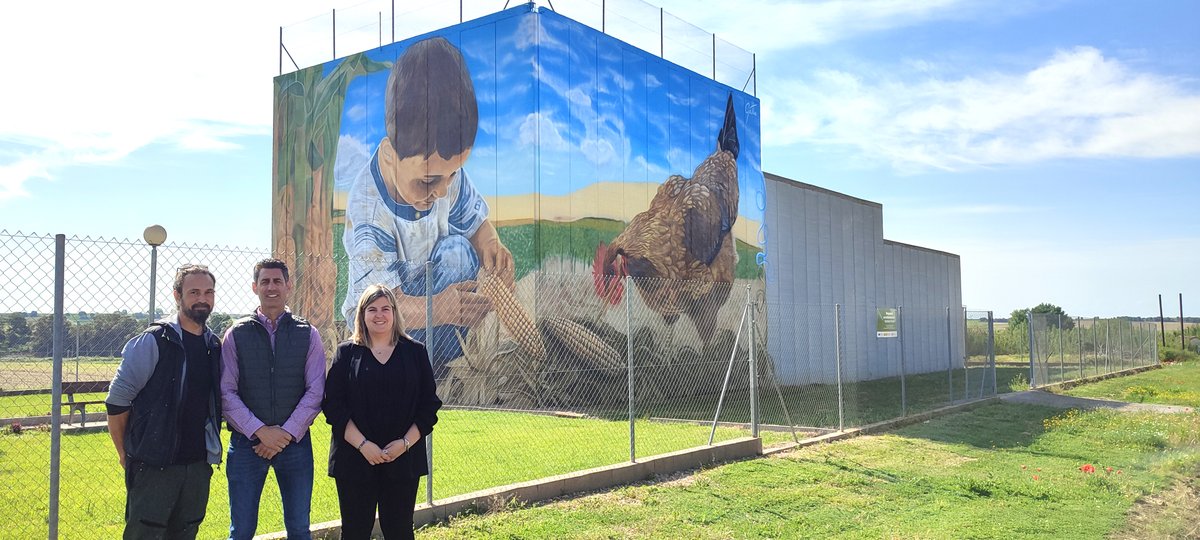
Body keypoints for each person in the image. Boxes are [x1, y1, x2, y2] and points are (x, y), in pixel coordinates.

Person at [340, 35, 514, 374]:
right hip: (386, 317)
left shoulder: (444, 174)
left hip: (438, 298)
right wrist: (439, 308)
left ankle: (441, 366)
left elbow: (477, 225)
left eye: (453, 175)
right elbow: (378, 305)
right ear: (390, 155)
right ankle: (410, 370)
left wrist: (492, 247)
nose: (442, 190)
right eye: (429, 180)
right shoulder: (370, 212)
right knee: (386, 321)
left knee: (458, 252)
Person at [105, 264, 222, 540]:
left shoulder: (213, 346)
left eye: (208, 292)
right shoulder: (153, 341)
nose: (202, 299)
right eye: (194, 292)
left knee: (186, 532)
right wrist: (125, 453)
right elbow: (117, 403)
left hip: (197, 466)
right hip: (154, 466)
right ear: (177, 295)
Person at [323, 284, 442, 539]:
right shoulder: (346, 353)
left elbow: (429, 405)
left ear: (395, 313)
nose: (379, 315)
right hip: (355, 459)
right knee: (354, 532)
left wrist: (404, 444)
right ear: (362, 314)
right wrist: (363, 445)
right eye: (372, 309)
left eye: (385, 309)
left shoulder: (415, 352)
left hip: (402, 459)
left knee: (399, 531)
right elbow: (333, 406)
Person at [220, 258, 326, 540]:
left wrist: (285, 434)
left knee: (299, 528)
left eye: (277, 281)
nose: (271, 287)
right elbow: (226, 392)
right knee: (241, 530)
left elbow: (316, 390)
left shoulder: (308, 334)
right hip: (247, 445)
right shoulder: (236, 334)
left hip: (295, 445)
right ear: (255, 287)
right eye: (265, 281)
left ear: (289, 286)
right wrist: (260, 431)